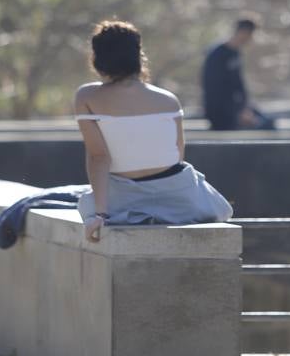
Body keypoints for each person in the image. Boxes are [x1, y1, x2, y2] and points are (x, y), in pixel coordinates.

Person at [78, 21, 233, 242]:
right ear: (138, 56)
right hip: (180, 195)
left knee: (85, 201)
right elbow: (177, 154)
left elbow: (98, 157)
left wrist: (100, 214)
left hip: (125, 196)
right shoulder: (169, 100)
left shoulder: (86, 97)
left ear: (98, 58)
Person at [201, 18, 275, 131]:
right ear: (243, 32)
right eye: (250, 35)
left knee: (269, 123)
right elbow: (215, 90)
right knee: (264, 128)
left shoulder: (235, 53)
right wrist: (238, 112)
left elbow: (238, 85)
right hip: (221, 113)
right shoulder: (217, 54)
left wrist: (246, 107)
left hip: (236, 109)